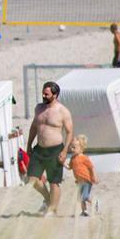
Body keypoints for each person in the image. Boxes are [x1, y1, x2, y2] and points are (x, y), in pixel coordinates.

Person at [26, 81, 73, 216]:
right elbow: (34, 127)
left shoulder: (62, 111)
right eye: (43, 93)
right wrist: (29, 144)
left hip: (55, 150)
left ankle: (53, 209)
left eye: (47, 94)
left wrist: (65, 151)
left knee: (54, 182)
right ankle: (47, 199)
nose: (44, 96)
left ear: (55, 94)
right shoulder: (39, 108)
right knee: (32, 180)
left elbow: (69, 131)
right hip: (39, 149)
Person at [68, 137, 98, 218]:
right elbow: (69, 167)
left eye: (74, 147)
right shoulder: (72, 158)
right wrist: (62, 162)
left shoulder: (84, 158)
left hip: (86, 181)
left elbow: (91, 167)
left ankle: (94, 202)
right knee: (79, 198)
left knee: (84, 197)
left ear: (81, 148)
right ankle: (84, 211)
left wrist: (94, 176)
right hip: (79, 182)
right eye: (71, 147)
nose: (71, 149)